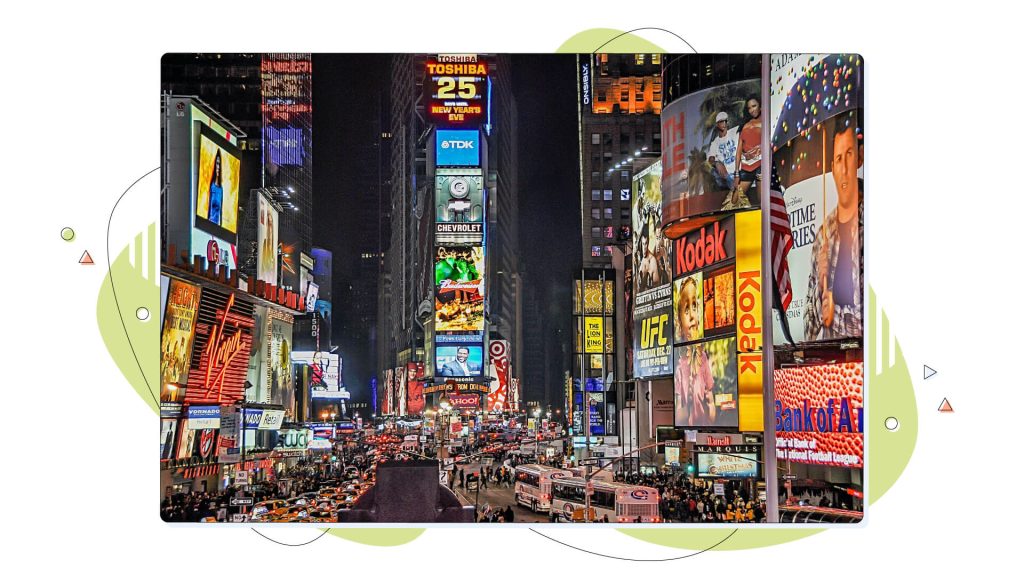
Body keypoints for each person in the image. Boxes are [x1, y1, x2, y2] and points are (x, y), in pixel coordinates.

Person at [803, 110, 863, 341]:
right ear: (832, 168)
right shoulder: (824, 234)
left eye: (849, 155)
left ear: (860, 158)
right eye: (838, 159)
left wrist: (835, 313)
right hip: (833, 366)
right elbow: (808, 331)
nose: (845, 167)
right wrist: (820, 284)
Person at [674, 277, 716, 427]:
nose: (692, 315)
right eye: (686, 310)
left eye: (695, 306)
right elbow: (680, 411)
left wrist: (709, 414)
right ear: (679, 321)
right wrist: (687, 405)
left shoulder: (703, 359)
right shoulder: (679, 366)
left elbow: (711, 402)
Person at [726, 96, 762, 209]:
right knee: (734, 201)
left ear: (760, 106)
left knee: (762, 201)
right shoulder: (745, 125)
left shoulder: (766, 121)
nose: (752, 110)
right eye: (749, 108)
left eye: (754, 106)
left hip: (761, 164)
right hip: (747, 167)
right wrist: (737, 173)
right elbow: (738, 151)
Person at [706, 111, 739, 191]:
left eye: (725, 121)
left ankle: (734, 187)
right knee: (713, 171)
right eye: (721, 121)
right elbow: (710, 159)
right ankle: (732, 186)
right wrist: (716, 163)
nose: (724, 123)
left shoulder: (735, 131)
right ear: (717, 124)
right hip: (726, 176)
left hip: (738, 171)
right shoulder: (715, 143)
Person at [207, 149, 224, 225]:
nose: (218, 167)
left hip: (217, 224)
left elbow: (221, 210)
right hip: (210, 222)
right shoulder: (211, 185)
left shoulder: (221, 189)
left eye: (219, 164)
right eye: (217, 163)